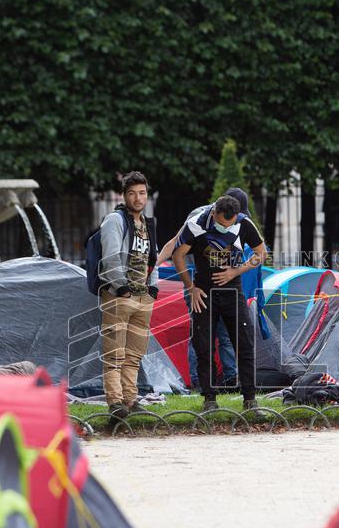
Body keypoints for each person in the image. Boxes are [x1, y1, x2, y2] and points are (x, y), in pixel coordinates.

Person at [171, 194, 266, 411]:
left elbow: (261, 253)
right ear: (214, 214)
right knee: (203, 346)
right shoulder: (196, 224)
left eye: (229, 225)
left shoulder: (243, 223)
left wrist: (236, 271)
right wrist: (191, 288)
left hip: (234, 291)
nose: (226, 228)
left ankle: (250, 399)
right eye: (222, 224)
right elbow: (178, 255)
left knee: (245, 343)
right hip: (204, 293)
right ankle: (209, 399)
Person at [157, 189, 253, 389]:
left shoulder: (238, 220)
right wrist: (155, 264)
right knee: (201, 335)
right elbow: (175, 243)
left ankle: (230, 380)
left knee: (227, 334)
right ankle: (199, 383)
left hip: (227, 286)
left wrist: (235, 272)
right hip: (199, 286)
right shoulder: (198, 217)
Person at [98, 171, 159, 419]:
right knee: (114, 354)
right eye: (132, 193)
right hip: (119, 296)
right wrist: (121, 287)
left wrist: (153, 288)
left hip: (143, 298)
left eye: (142, 193)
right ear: (124, 195)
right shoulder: (115, 221)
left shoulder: (147, 223)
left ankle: (131, 400)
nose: (138, 198)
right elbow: (111, 256)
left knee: (134, 355)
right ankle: (115, 403)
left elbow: (151, 258)